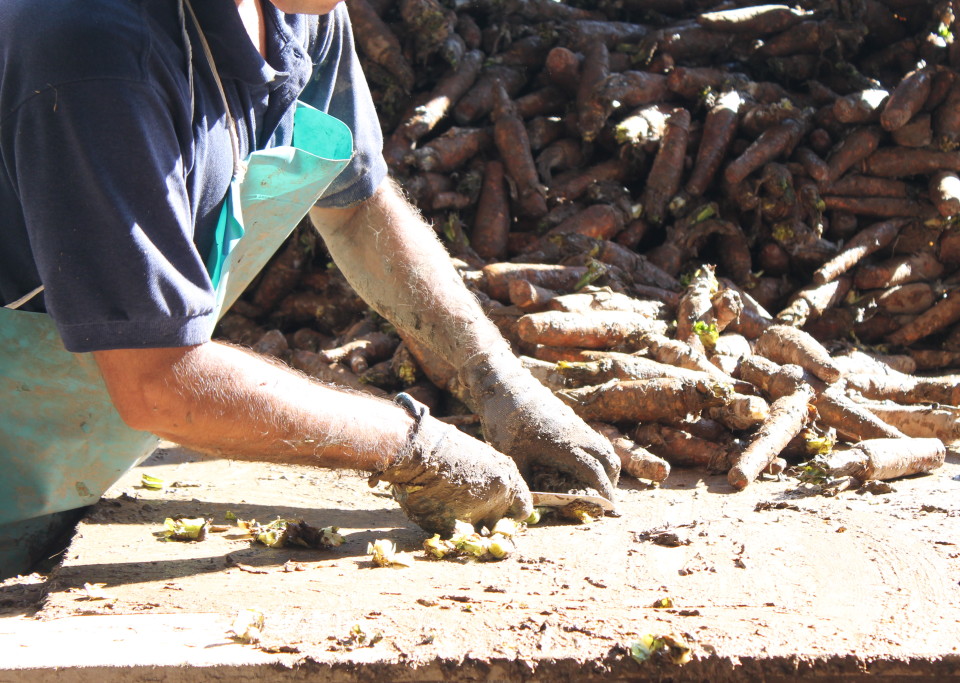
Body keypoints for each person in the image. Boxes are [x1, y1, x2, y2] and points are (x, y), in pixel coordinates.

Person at [0, 0, 620, 578]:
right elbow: (156, 378)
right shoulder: (93, 56)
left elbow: (356, 207)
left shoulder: (300, 12)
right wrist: (410, 446)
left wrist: (496, 381)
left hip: (69, 462)